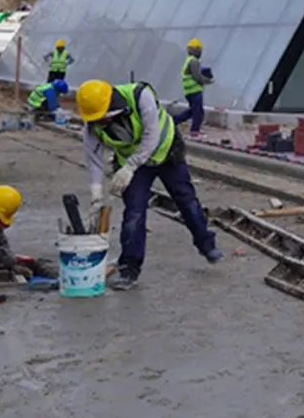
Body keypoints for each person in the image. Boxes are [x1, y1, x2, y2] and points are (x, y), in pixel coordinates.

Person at [75, 79, 222, 290]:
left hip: (166, 151)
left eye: (103, 117)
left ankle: (207, 245)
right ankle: (129, 269)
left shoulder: (140, 96)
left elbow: (151, 136)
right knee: (134, 212)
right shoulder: (92, 126)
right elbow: (94, 160)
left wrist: (129, 168)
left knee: (186, 200)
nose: (100, 122)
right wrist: (97, 194)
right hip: (135, 164)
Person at [172, 38, 214, 139]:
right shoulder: (193, 61)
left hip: (189, 92)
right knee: (198, 112)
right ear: (196, 49)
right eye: (200, 50)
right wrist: (207, 80)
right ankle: (194, 132)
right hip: (195, 92)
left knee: (192, 111)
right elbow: (197, 76)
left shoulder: (188, 61)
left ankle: (173, 121)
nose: (201, 52)